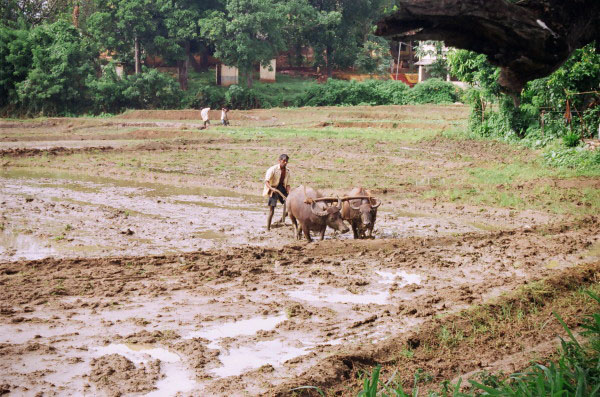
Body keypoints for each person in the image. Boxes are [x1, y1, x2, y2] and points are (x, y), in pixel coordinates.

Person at [263, 154, 290, 231]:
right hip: (273, 188)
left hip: (282, 188)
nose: (285, 163)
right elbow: (266, 182)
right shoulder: (272, 169)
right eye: (283, 161)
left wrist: (290, 193)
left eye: (286, 161)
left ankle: (281, 220)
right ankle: (268, 228)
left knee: (290, 205)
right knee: (272, 209)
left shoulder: (287, 171)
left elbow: (287, 184)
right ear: (279, 161)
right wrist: (272, 189)